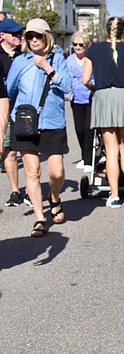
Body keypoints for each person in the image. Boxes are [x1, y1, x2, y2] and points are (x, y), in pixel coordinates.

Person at [5, 18, 72, 237]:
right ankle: (39, 218)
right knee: (32, 171)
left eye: (38, 36)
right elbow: (9, 91)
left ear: (47, 37)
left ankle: (54, 197)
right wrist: (13, 115)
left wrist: (48, 68)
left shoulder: (58, 59)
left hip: (52, 122)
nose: (34, 40)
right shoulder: (20, 61)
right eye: (30, 36)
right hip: (26, 123)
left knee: (57, 172)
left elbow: (68, 87)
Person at [82, 16, 124, 208]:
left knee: (110, 150)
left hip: (103, 96)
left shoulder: (94, 50)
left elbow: (85, 79)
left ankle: (115, 195)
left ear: (106, 30)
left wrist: (97, 90)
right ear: (123, 32)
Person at [1, 17, 27, 206]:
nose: (19, 36)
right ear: (2, 36)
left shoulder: (24, 56)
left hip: (25, 110)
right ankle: (15, 191)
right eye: (15, 34)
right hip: (4, 110)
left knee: (28, 151)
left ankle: (30, 188)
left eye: (20, 33)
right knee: (9, 152)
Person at [66, 31, 94, 170]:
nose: (77, 47)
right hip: (75, 98)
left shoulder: (92, 58)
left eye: (80, 44)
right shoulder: (69, 60)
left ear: (87, 45)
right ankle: (84, 156)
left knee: (89, 129)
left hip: (91, 97)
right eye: (75, 44)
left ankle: (89, 160)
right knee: (79, 130)